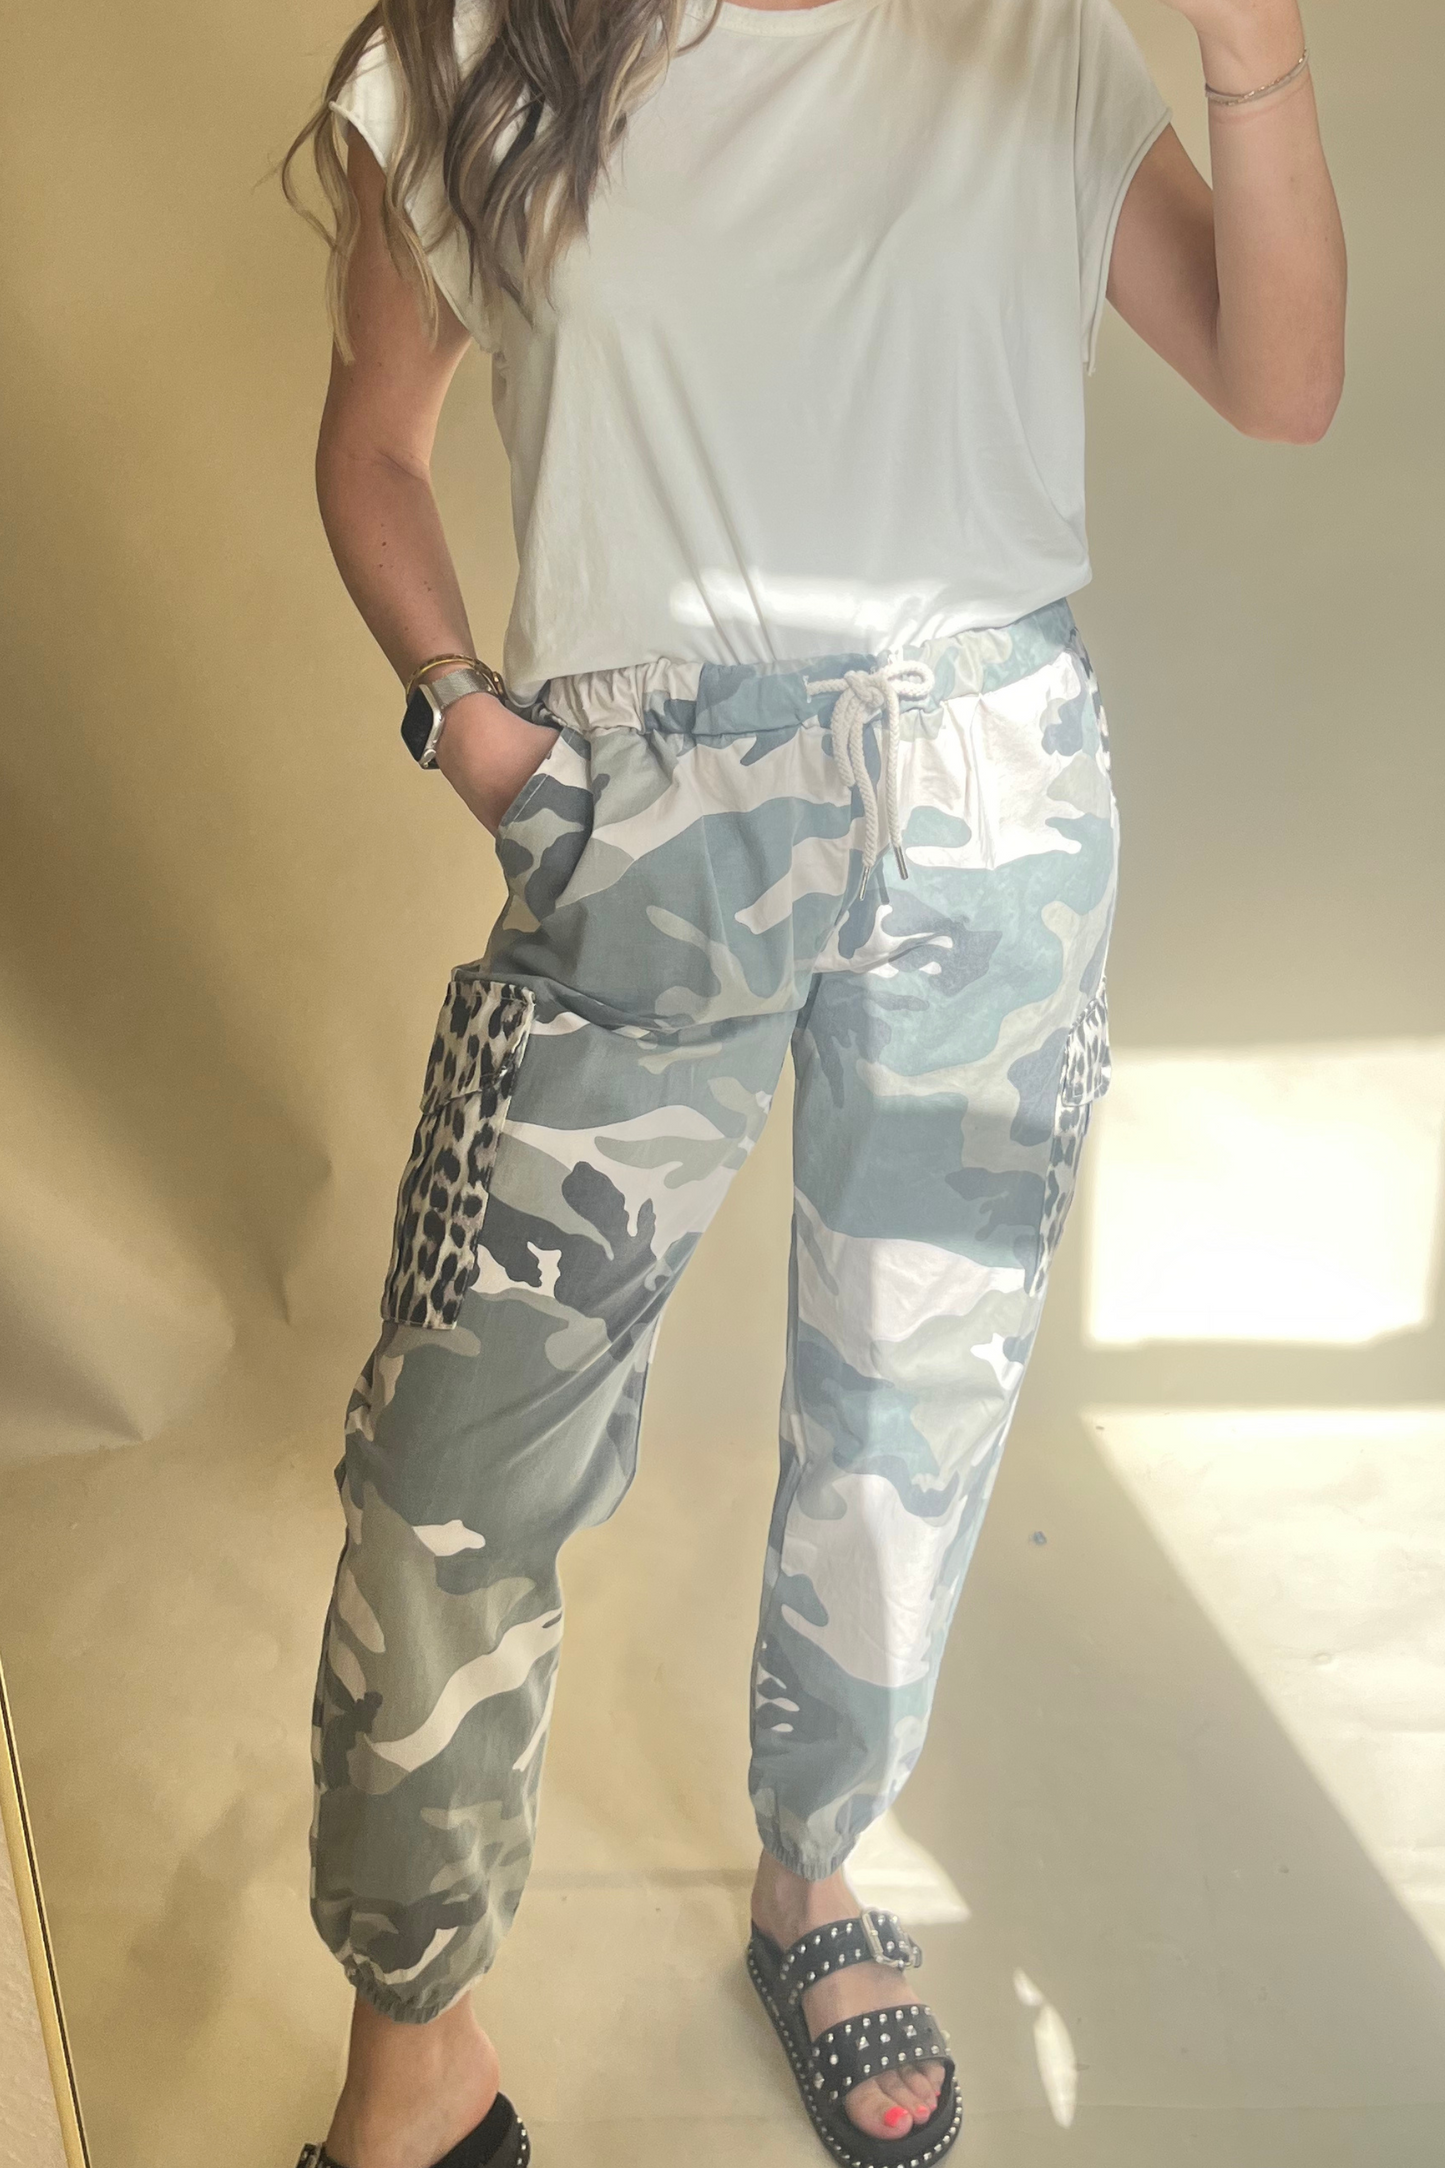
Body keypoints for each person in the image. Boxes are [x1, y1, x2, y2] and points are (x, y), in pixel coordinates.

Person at [282, 0, 1344, 2160]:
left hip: (989, 802)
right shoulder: (485, 43)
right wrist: (473, 728)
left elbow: (1279, 379)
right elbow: (373, 443)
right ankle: (421, 2038)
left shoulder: (1024, 31)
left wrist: (1253, 40)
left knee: (910, 1407)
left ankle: (817, 1872)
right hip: (651, 810)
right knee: (454, 1451)